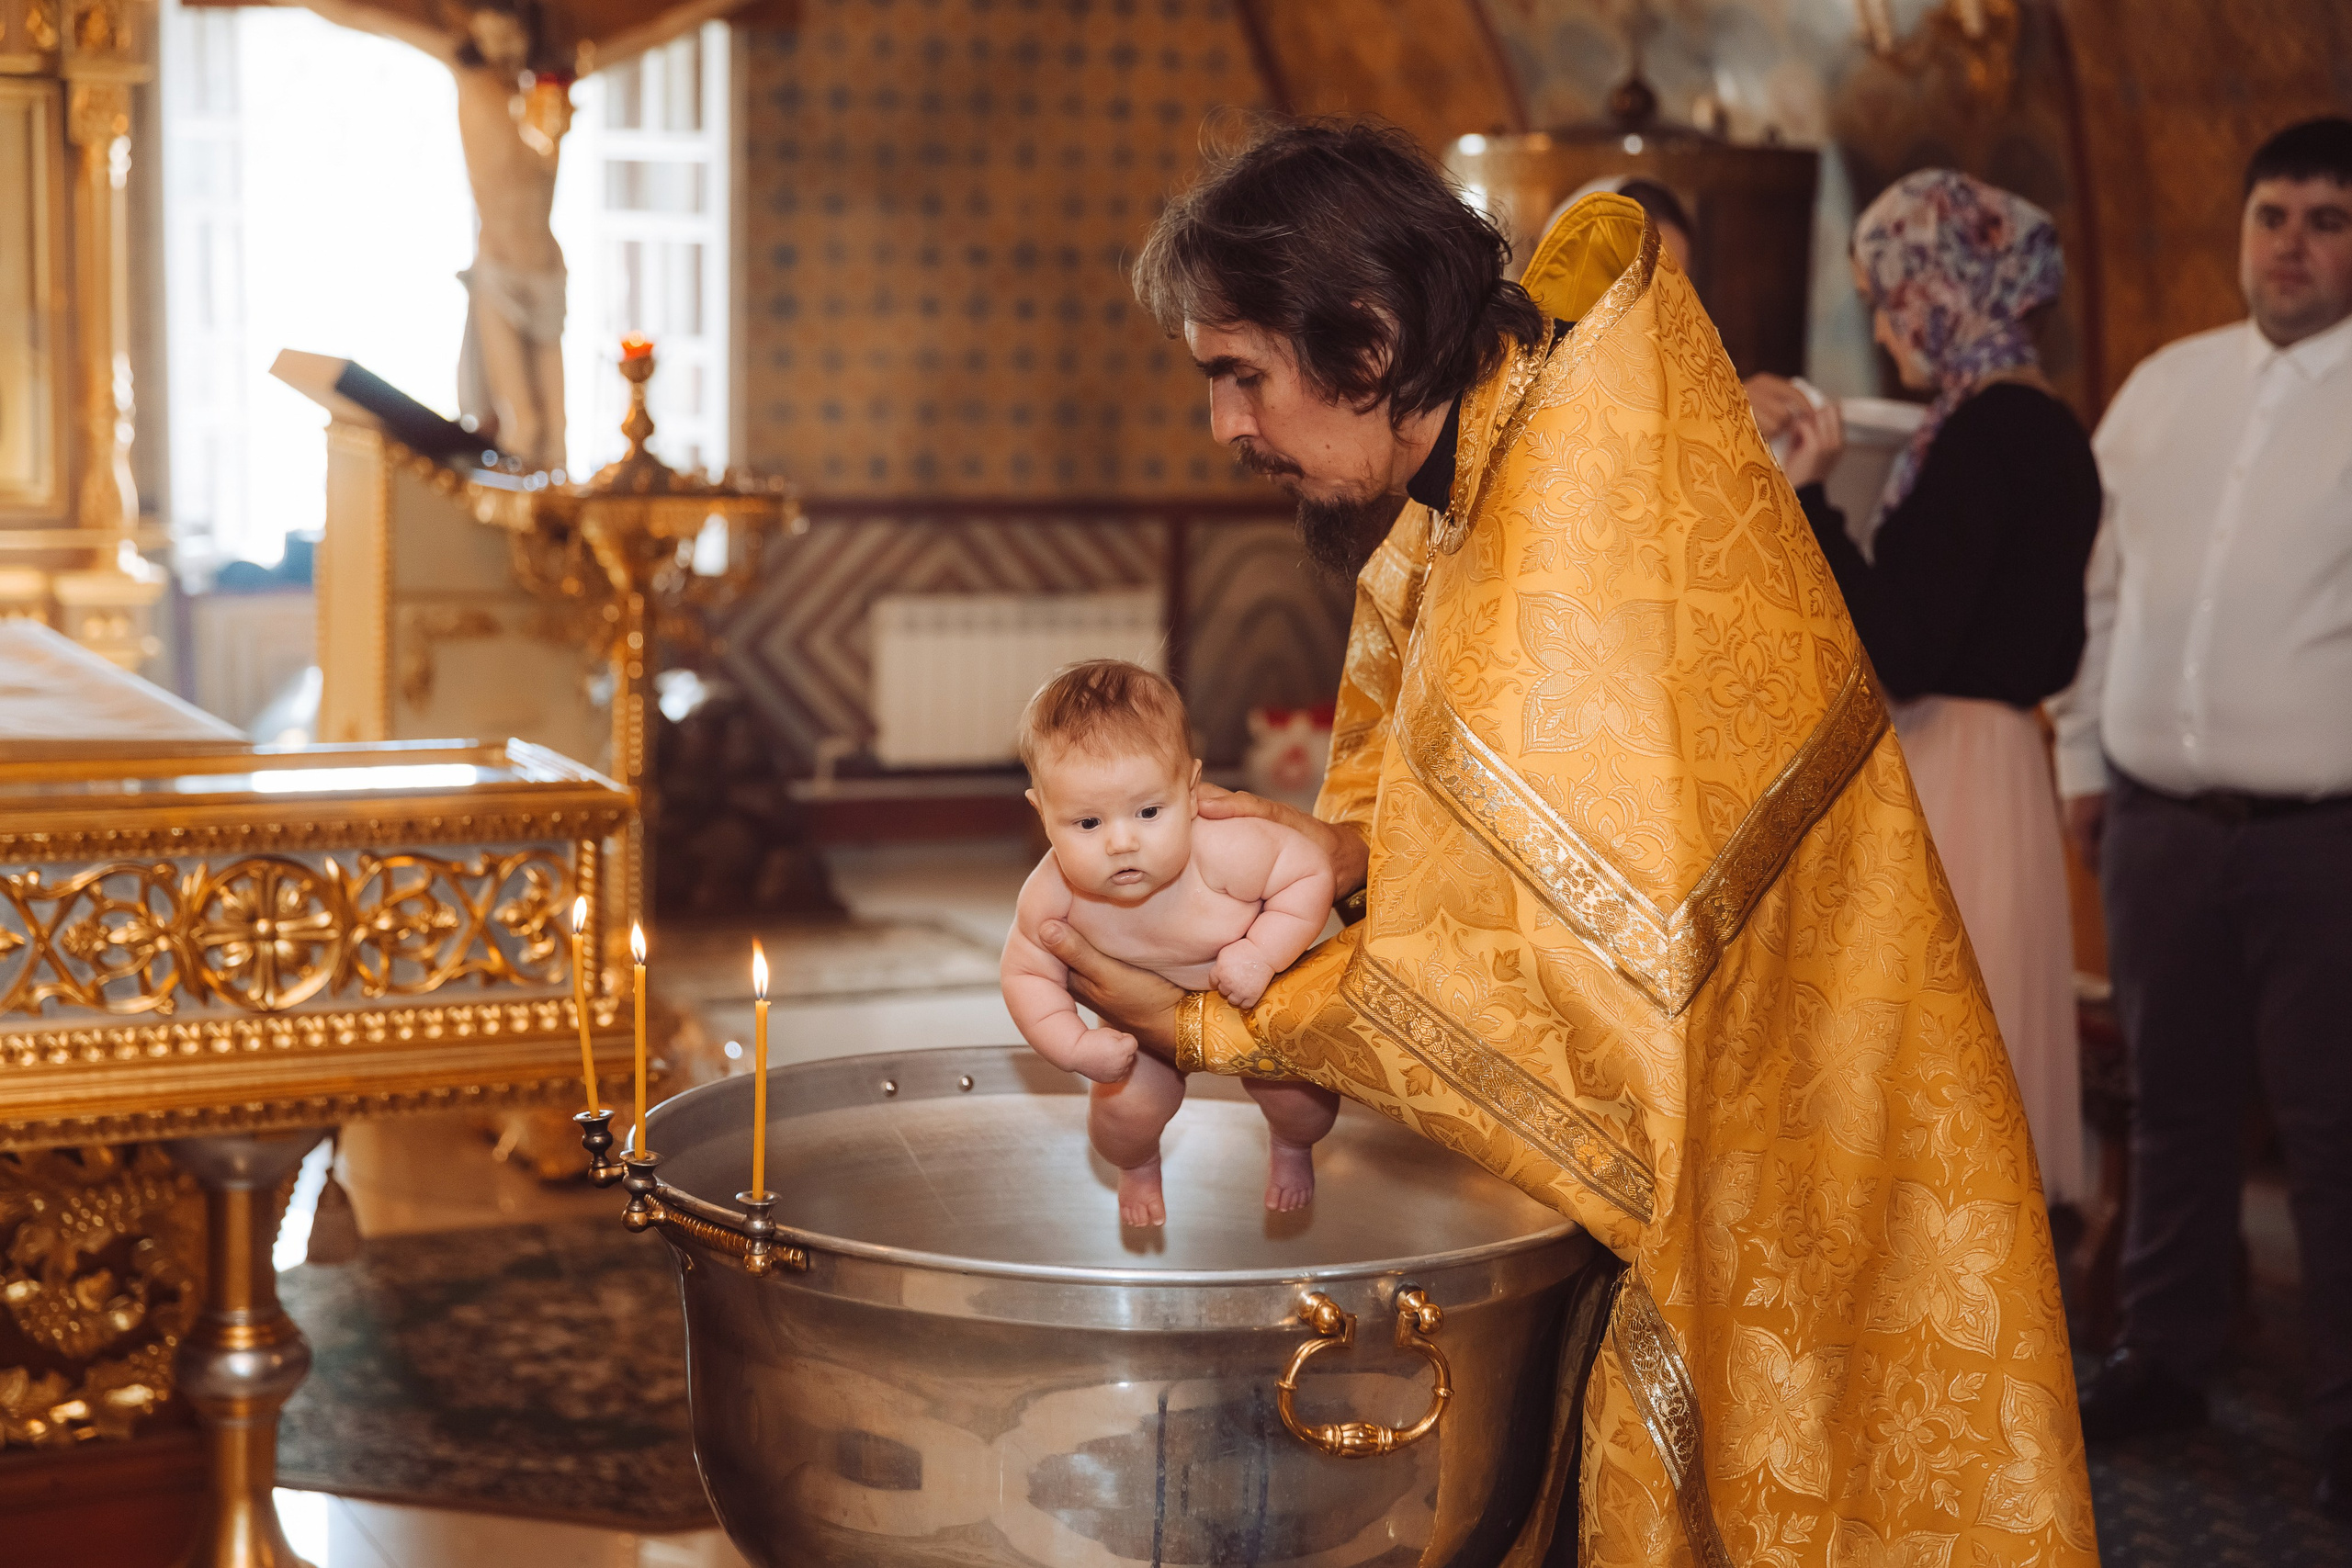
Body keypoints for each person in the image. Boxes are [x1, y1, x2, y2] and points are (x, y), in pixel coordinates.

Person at [1039, 121, 2091, 1565]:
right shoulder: (1505, 451)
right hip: (1760, 1120)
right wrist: (1346, 857)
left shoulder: (1574, 534)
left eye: (1241, 375)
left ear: (1367, 336)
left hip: (1788, 1171)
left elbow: (1577, 1006)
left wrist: (1223, 1018)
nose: (1224, 425)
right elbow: (1520, 839)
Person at [2052, 117, 2352, 1515]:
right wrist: (2085, 765)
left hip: (2323, 841)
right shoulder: (2165, 387)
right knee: (2172, 1111)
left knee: (2332, 1127)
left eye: (2328, 220)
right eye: (2274, 214)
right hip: (2160, 821)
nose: (2292, 243)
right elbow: (2100, 587)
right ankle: (2162, 1352)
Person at [1775, 169, 2101, 1211]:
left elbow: (1906, 647)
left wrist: (1814, 504)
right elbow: (2054, 644)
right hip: (2000, 764)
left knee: (1924, 1091)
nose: (1879, 316)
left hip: (1951, 768)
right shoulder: (2049, 425)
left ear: (1940, 283)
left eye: (1887, 288)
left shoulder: (1980, 435)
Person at [1000, 660, 1340, 1228]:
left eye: (1149, 811)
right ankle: (1139, 1166)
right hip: (1140, 1029)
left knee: (1304, 1104)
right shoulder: (1051, 892)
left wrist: (1262, 950)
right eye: (1087, 823)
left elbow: (1309, 876)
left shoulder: (1225, 849)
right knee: (1121, 1120)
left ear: (1190, 788)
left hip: (1258, 1001)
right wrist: (1075, 1048)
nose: (1122, 841)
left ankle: (1290, 1145)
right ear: (1042, 811)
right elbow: (1025, 977)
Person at [294, 0, 572, 471]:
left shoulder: (547, 99)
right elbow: (372, 18)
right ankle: (524, 537)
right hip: (500, 272)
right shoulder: (470, 81)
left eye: (513, 38)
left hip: (546, 273)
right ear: (477, 38)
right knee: (523, 424)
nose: (505, 48)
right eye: (494, 36)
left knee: (556, 432)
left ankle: (559, 537)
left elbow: (649, 32)